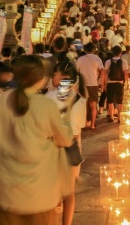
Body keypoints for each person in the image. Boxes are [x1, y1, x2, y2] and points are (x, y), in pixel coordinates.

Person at [0, 55, 73, 225]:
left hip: (8, 191)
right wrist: (66, 114)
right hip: (41, 191)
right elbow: (66, 139)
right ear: (40, 79)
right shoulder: (46, 106)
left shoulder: (2, 101)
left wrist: (4, 142)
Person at [46, 61, 87, 225]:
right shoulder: (79, 99)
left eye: (53, 75)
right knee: (69, 194)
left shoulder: (48, 97)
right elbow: (78, 129)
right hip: (71, 147)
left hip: (52, 148)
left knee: (51, 193)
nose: (51, 78)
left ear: (62, 77)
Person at [76, 42, 104, 129]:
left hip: (83, 84)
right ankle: (92, 124)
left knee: (84, 104)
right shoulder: (97, 59)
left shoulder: (80, 59)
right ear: (93, 49)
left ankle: (84, 122)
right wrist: (101, 82)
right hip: (93, 83)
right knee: (93, 104)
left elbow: (76, 71)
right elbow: (102, 71)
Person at [104, 45, 128, 123]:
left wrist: (104, 84)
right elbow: (125, 74)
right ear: (120, 53)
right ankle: (119, 117)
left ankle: (111, 116)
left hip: (110, 83)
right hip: (120, 83)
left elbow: (106, 73)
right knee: (119, 101)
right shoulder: (123, 62)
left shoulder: (108, 61)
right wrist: (126, 83)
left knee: (110, 100)